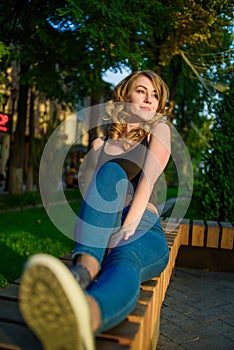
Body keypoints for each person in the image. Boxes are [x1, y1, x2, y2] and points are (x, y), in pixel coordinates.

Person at [19, 70, 171, 350]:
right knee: (111, 171)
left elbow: (147, 182)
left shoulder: (158, 131)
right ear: (125, 95)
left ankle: (84, 317)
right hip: (104, 225)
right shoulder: (100, 145)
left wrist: (127, 229)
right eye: (141, 91)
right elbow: (91, 203)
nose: (150, 99)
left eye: (155, 95)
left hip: (144, 224)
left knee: (125, 262)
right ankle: (82, 273)